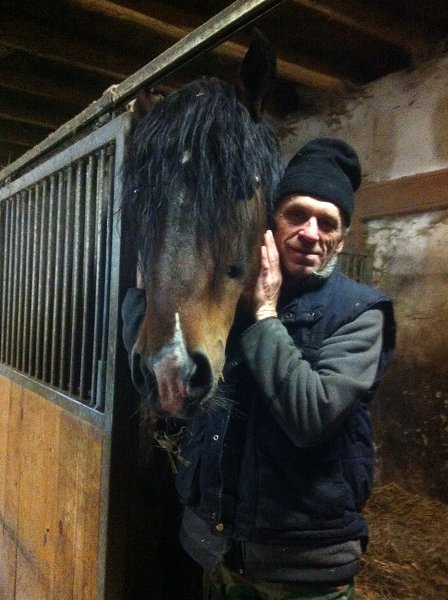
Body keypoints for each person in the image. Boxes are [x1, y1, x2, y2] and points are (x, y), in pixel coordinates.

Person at [122, 138, 395, 600]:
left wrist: (265, 313)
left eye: (327, 223)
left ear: (341, 240)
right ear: (270, 223)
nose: (310, 232)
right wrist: (142, 295)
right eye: (296, 215)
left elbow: (313, 416)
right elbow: (173, 357)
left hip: (303, 567)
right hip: (219, 553)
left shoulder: (361, 313)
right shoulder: (233, 295)